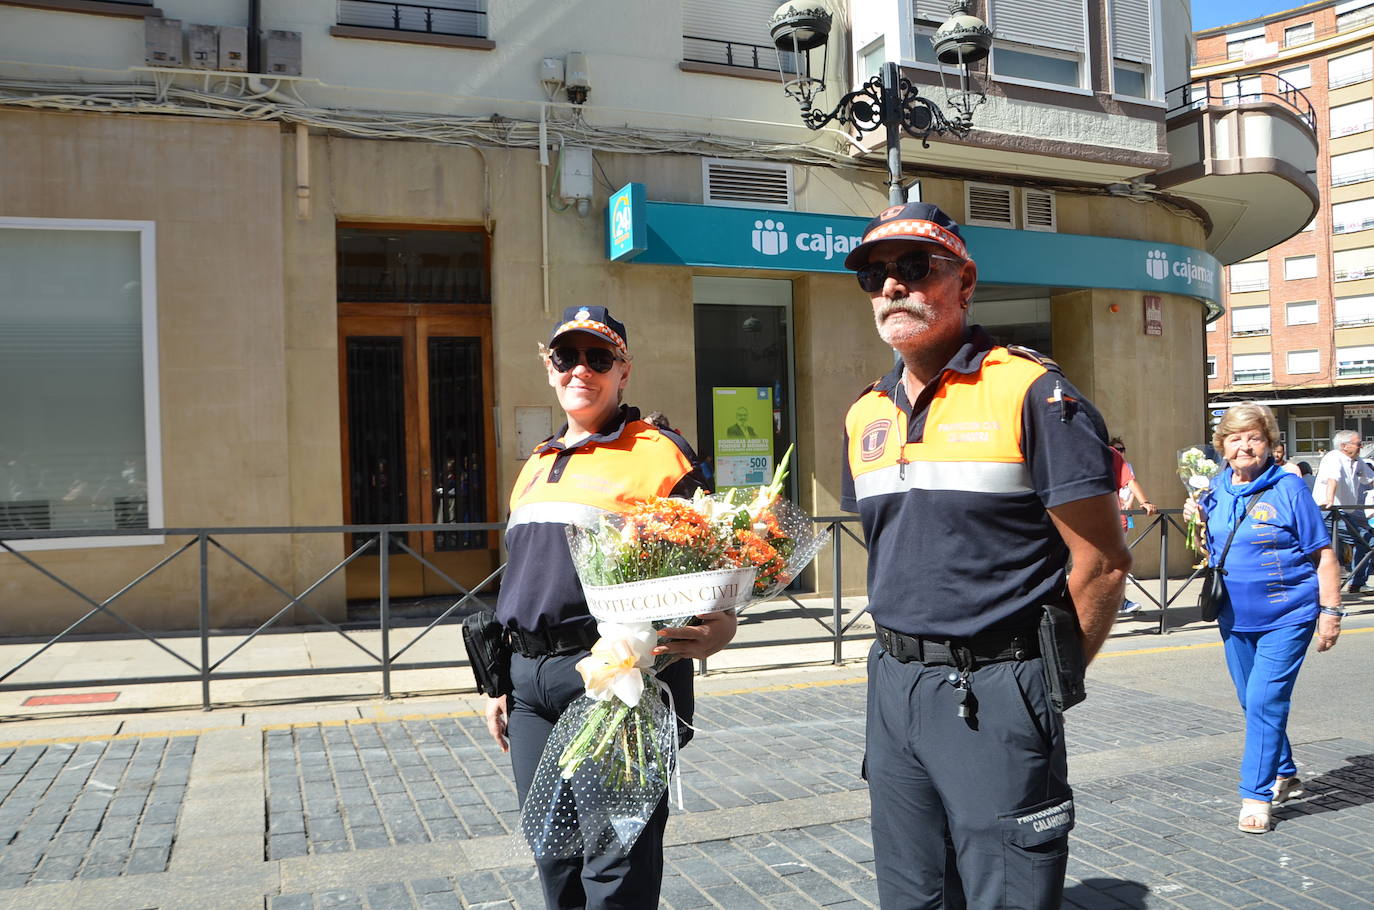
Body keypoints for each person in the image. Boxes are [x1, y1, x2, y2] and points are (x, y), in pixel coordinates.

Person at [839, 202, 1131, 909]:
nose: (891, 287)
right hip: (893, 685)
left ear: (963, 283)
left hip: (996, 685)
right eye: (875, 275)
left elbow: (1102, 562)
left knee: (1008, 892)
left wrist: (1039, 687)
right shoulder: (864, 413)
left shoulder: (1032, 392)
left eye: (913, 268)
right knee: (911, 895)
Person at [484, 305, 737, 909]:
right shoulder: (536, 464)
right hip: (529, 689)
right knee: (553, 853)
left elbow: (720, 553)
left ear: (624, 371)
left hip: (619, 684)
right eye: (567, 357)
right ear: (550, 368)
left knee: (616, 862)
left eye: (600, 359)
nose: (582, 370)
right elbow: (520, 578)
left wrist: (723, 622)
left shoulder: (660, 452)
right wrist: (498, 682)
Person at [1186, 403, 1341, 834]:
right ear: (1222, 446)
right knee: (1250, 701)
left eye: (1254, 437)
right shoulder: (1212, 488)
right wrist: (1197, 527)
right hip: (1233, 616)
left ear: (1271, 445)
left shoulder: (1289, 489)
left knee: (1264, 701)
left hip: (1287, 615)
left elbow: (1324, 555)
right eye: (1234, 438)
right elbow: (1212, 547)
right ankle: (1285, 768)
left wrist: (1331, 613)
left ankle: (1256, 796)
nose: (1244, 446)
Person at [1313, 429, 1374, 592]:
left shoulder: (1357, 460)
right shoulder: (1334, 457)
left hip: (1344, 513)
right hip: (1327, 512)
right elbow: (1333, 478)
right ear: (1344, 446)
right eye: (1358, 444)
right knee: (1324, 550)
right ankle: (1335, 586)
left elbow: (1370, 479)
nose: (1361, 447)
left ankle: (1356, 583)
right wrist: (1330, 499)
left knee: (1365, 542)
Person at [1109, 437, 1158, 614]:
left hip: (1113, 518)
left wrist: (1144, 501)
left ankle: (1119, 601)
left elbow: (1129, 480)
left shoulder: (1111, 455)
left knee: (1116, 563)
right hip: (1083, 519)